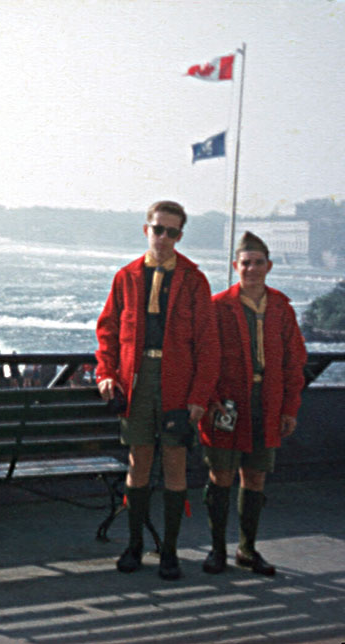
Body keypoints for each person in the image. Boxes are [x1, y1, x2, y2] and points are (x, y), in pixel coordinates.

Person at [95, 200, 220, 580]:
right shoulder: (126, 276)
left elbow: (208, 346)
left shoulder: (194, 280)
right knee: (140, 464)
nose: (164, 238)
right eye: (158, 229)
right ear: (146, 229)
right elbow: (108, 332)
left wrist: (199, 397)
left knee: (176, 467)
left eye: (172, 232)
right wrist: (106, 373)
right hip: (137, 381)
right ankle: (134, 547)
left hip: (178, 384)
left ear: (180, 236)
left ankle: (169, 551)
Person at [199, 232, 307, 576]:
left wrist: (289, 407)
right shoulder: (217, 307)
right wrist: (210, 400)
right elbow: (203, 359)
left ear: (269, 266)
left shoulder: (281, 308)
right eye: (245, 263)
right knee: (221, 474)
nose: (252, 269)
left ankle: (247, 549)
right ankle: (217, 549)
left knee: (255, 476)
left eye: (258, 262)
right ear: (235, 266)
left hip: (267, 403)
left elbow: (294, 361)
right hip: (226, 405)